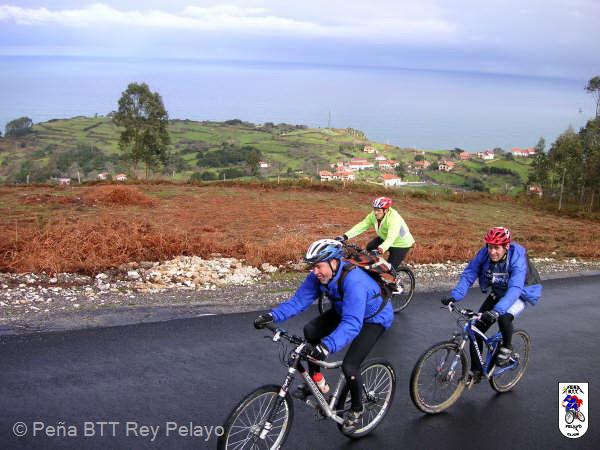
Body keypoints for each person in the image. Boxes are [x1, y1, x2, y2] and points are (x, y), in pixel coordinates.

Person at [253, 239, 394, 431]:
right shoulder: (319, 276)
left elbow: (352, 324)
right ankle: (318, 380)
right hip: (345, 309)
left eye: (318, 266)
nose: (314, 271)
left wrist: (326, 346)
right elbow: (299, 301)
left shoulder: (355, 281)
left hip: (373, 318)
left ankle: (357, 408)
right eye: (312, 266)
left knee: (350, 365)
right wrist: (272, 316)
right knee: (310, 332)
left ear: (334, 262)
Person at [441, 227, 542, 384]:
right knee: (476, 328)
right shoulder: (484, 254)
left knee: (503, 317)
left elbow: (515, 287)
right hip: (499, 290)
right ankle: (476, 372)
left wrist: (497, 311)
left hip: (521, 292)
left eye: (497, 248)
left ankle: (506, 349)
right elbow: (469, 274)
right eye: (490, 246)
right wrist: (454, 296)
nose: (492, 251)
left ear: (506, 247)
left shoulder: (517, 257)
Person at [336, 196, 415, 270]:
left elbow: (391, 237)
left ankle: (392, 282)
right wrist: (345, 236)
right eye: (375, 209)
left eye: (378, 210)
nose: (376, 212)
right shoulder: (373, 215)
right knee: (370, 247)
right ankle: (376, 267)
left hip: (401, 244)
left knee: (389, 270)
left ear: (386, 211)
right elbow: (362, 225)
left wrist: (381, 249)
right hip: (385, 238)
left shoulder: (394, 219)